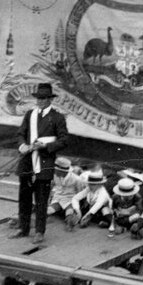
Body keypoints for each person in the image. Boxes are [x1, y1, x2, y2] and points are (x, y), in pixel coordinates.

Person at [11, 83, 69, 245]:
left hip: (44, 161)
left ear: (50, 100)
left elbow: (64, 140)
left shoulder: (57, 118)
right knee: (24, 196)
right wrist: (22, 145)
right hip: (27, 160)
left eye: (44, 98)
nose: (41, 101)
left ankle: (39, 232)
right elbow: (20, 134)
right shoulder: (30, 114)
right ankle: (23, 228)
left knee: (41, 199)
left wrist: (46, 146)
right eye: (39, 98)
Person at [48, 157, 86, 228]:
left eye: (57, 170)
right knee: (50, 210)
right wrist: (50, 197)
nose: (55, 171)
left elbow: (80, 193)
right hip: (58, 197)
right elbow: (52, 186)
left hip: (70, 199)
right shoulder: (55, 176)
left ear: (63, 171)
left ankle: (70, 221)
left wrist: (78, 206)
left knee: (69, 211)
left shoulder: (76, 179)